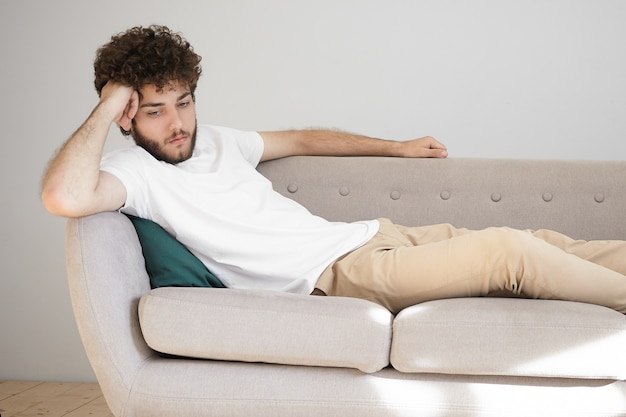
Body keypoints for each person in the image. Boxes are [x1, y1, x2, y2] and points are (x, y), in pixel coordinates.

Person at [42, 25, 626, 315]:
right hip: (340, 276)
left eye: (184, 101)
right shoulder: (135, 176)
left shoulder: (219, 141)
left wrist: (396, 148)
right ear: (124, 116)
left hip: (376, 236)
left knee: (546, 240)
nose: (177, 123)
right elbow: (63, 196)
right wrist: (106, 102)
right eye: (153, 109)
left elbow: (300, 137)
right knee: (509, 252)